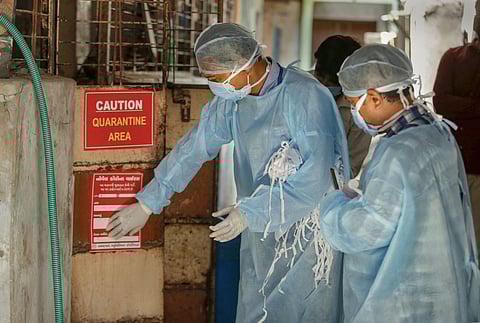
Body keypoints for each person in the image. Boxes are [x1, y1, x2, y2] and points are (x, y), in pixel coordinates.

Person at [106, 23, 350, 323]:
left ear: (244, 67)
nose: (214, 86)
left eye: (216, 78)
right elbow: (195, 146)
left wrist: (250, 212)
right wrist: (149, 202)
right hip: (261, 232)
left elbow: (315, 180)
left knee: (304, 310)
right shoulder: (233, 101)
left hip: (309, 238)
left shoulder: (306, 97)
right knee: (257, 308)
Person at [318, 44, 480, 323]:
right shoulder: (436, 131)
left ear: (374, 98)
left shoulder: (398, 151)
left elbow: (369, 229)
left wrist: (332, 207)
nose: (356, 116)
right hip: (441, 290)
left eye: (353, 103)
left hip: (403, 298)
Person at [433, 7, 480, 252]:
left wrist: (463, 105)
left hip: (464, 165)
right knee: (459, 245)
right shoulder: (454, 58)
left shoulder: (453, 59)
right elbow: (440, 102)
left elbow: (446, 102)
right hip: (458, 167)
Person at [314, 35, 371, 177]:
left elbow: (350, 169)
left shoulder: (359, 110)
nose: (325, 84)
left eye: (331, 81)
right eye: (320, 76)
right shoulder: (299, 87)